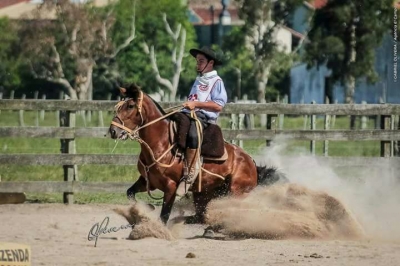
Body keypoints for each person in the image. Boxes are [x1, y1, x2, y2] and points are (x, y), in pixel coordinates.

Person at [176, 46, 228, 196]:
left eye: (201, 61)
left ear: (210, 63)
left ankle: (190, 173)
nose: (197, 64)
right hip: (189, 114)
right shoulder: (199, 79)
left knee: (192, 134)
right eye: (197, 61)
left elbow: (218, 106)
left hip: (203, 118)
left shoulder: (216, 81)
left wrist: (196, 104)